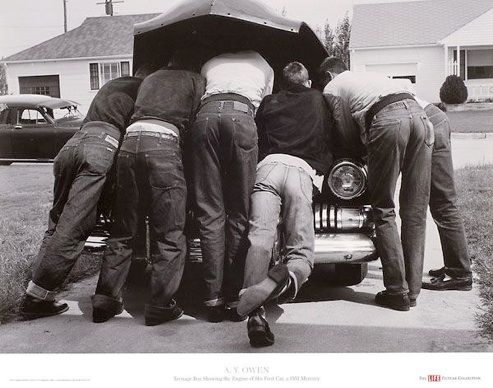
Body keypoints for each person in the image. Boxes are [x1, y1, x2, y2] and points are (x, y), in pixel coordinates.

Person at [19, 67, 151, 320]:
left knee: (57, 224)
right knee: (75, 227)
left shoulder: (114, 83)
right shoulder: (144, 91)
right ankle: (36, 299)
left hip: (72, 144)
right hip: (102, 146)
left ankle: (37, 289)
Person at [92, 51, 206, 325]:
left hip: (130, 142)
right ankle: (160, 304)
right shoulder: (195, 80)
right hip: (164, 143)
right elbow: (196, 125)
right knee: (169, 231)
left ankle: (105, 301)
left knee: (124, 228)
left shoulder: (151, 78)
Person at [319, 57, 434, 311]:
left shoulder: (332, 87)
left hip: (388, 120)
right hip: (420, 116)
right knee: (415, 210)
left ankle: (396, 291)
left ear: (328, 75)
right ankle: (412, 292)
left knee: (383, 208)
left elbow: (345, 133)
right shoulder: (366, 77)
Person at [237, 62, 333, 347]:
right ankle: (283, 276)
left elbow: (257, 137)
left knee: (260, 239)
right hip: (301, 172)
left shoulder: (269, 102)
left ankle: (255, 311)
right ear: (306, 82)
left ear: (283, 83)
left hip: (268, 167)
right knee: (301, 249)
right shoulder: (318, 98)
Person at [190, 50, 274, 322]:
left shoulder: (209, 61)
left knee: (210, 210)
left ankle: (212, 298)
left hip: (205, 117)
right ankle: (236, 296)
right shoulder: (264, 63)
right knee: (240, 210)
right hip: (242, 114)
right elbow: (264, 108)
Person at [417, 100, 472, 290]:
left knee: (443, 202)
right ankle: (455, 265)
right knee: (441, 201)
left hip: (429, 121)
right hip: (432, 118)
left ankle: (459, 273)